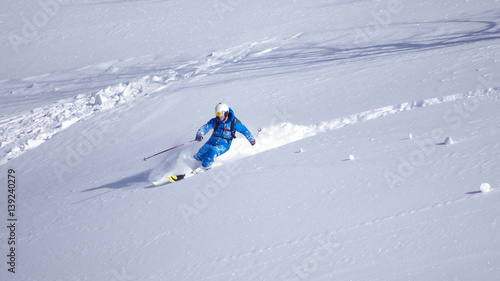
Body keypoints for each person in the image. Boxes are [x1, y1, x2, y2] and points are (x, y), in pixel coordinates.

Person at [193, 103, 255, 171]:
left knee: (213, 151)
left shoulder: (234, 123)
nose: (219, 116)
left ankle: (204, 168)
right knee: (199, 155)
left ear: (226, 113)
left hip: (224, 144)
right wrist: (200, 134)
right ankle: (191, 167)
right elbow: (205, 127)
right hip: (211, 142)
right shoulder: (215, 121)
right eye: (217, 113)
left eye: (220, 113)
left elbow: (244, 130)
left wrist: (251, 140)